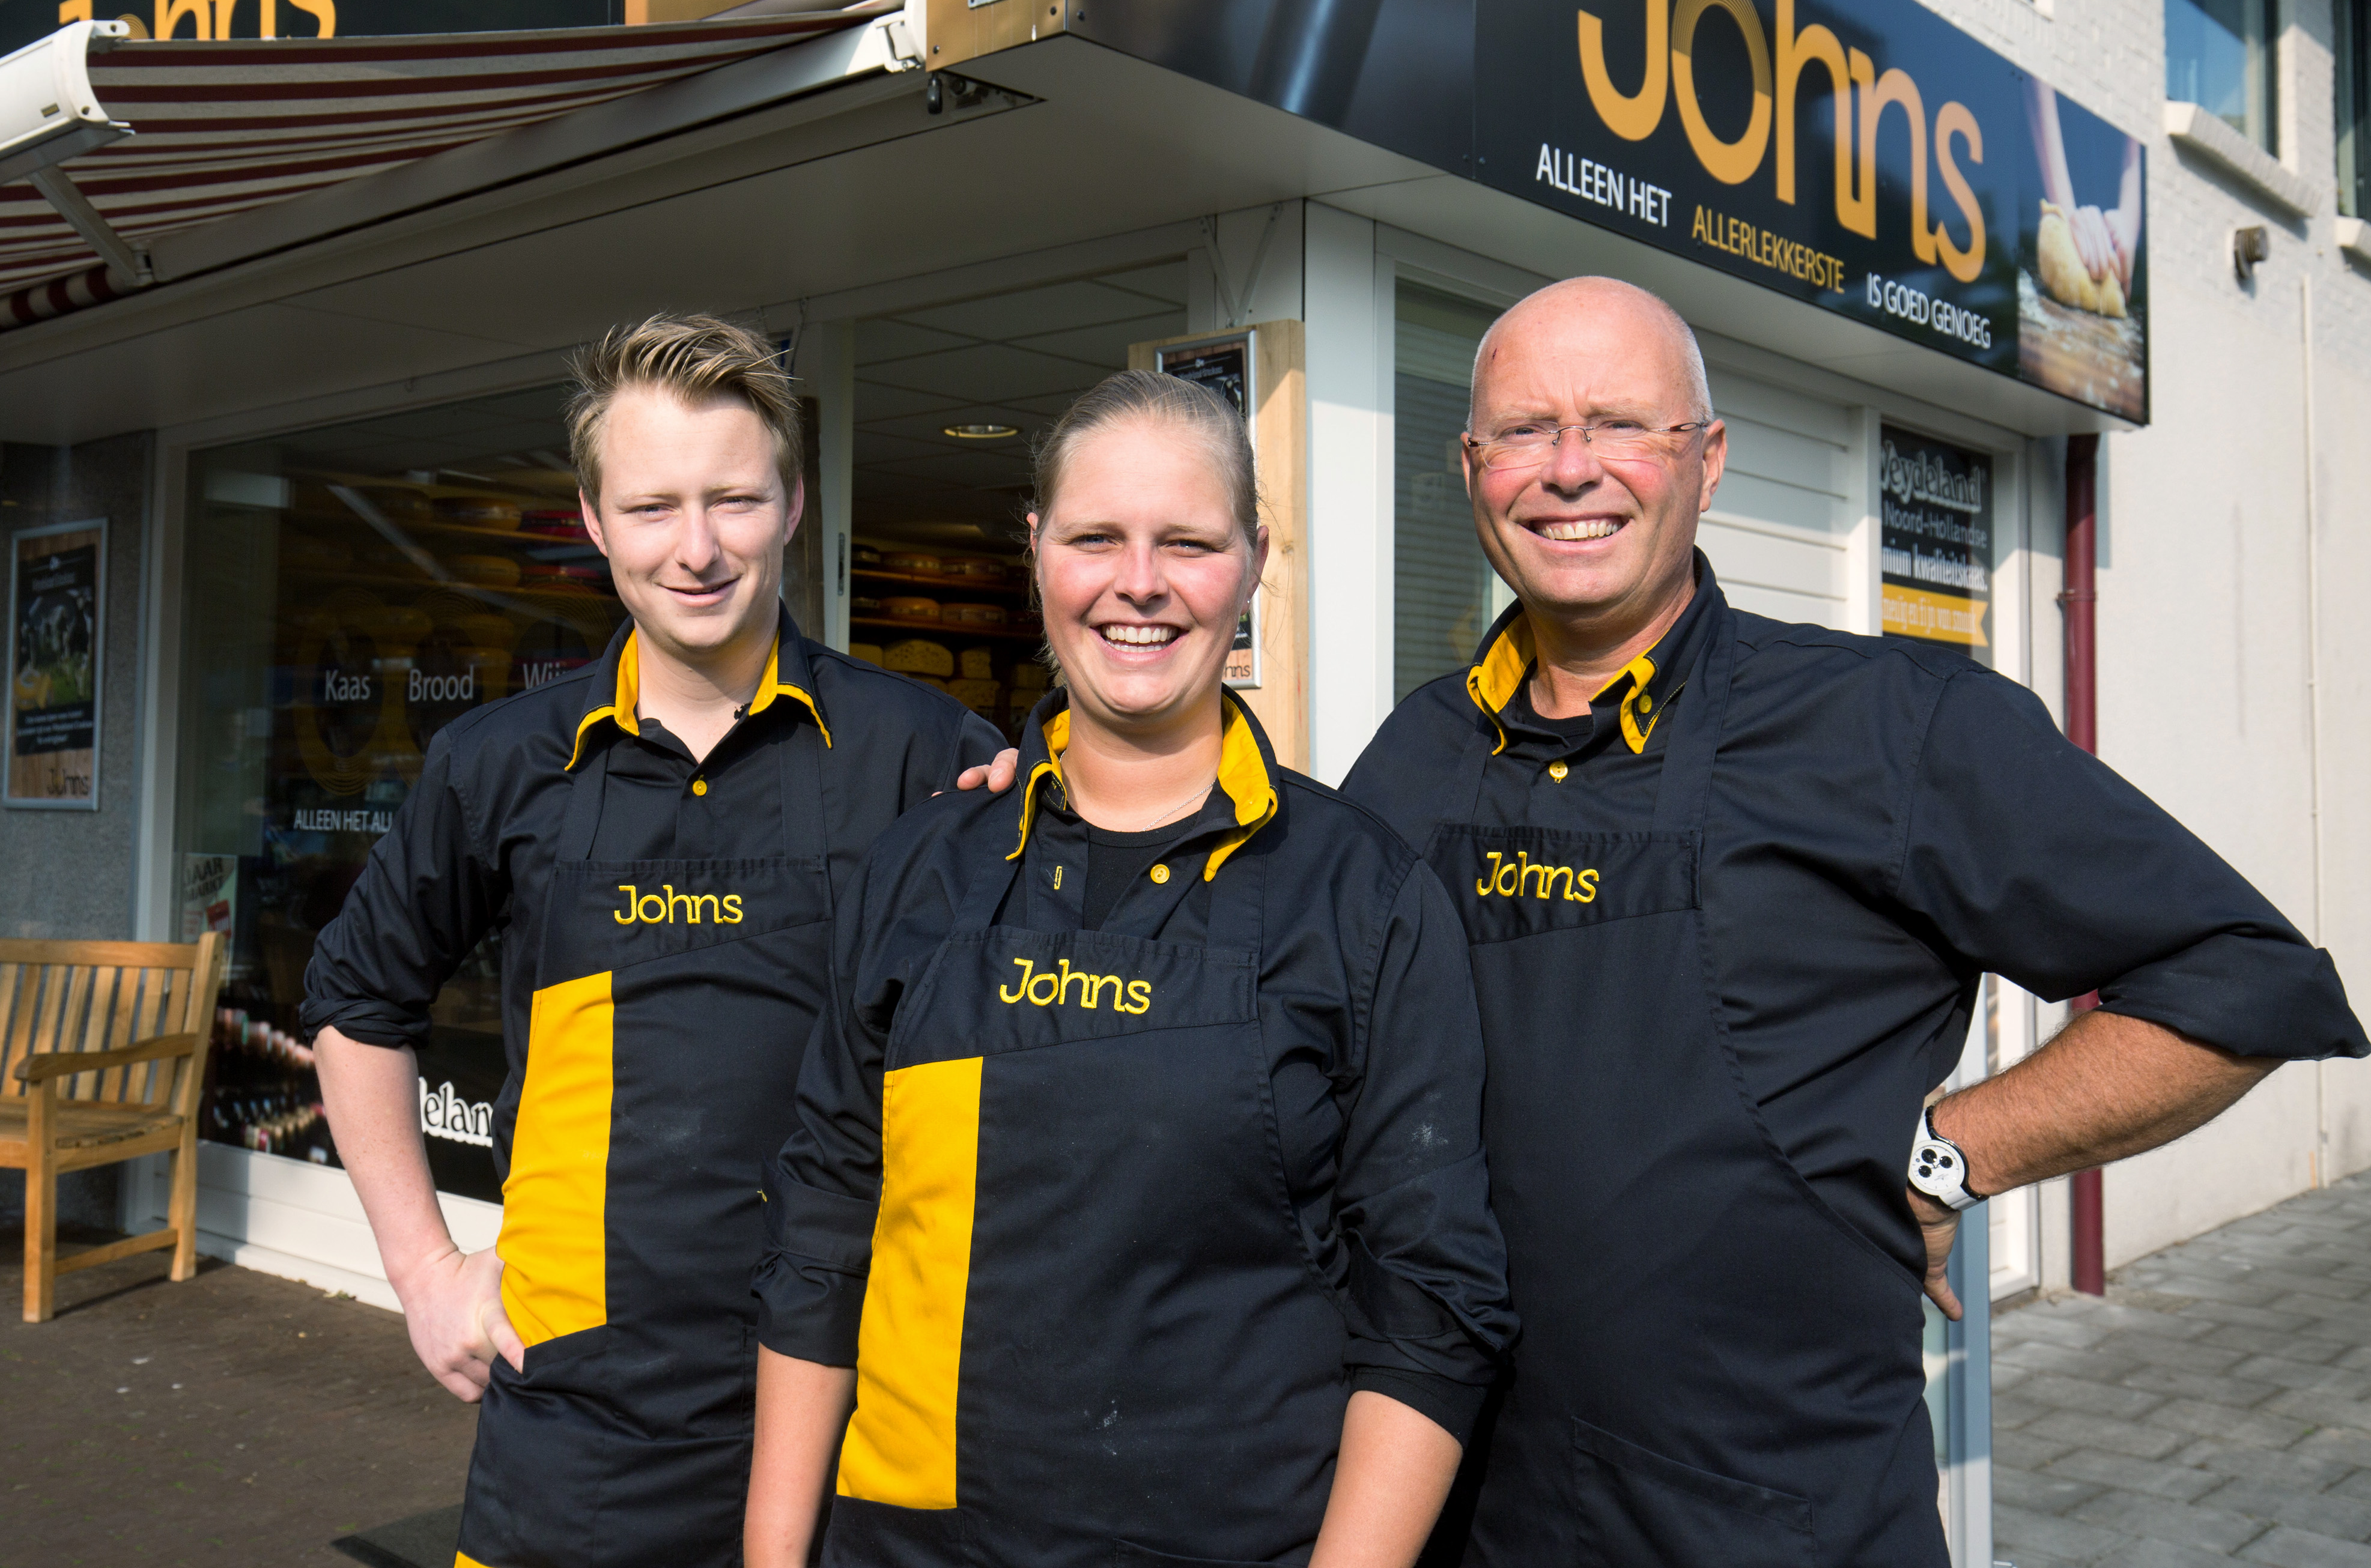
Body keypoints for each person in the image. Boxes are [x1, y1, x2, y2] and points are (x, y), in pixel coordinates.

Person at [1341, 277, 2370, 1567]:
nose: (1568, 469)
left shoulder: (1892, 724)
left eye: (1619, 423)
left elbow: (2240, 979)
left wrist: (1953, 1148)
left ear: (1705, 461)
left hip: (1768, 1510)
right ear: (1469, 466)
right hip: (1460, 1505)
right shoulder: (1411, 754)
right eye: (1523, 431)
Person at [745, 371, 1517, 1568]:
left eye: (1188, 541)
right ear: (1036, 548)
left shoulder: (1357, 895)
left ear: (1255, 560)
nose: (1138, 582)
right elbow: (824, 1232)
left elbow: (1433, 1301)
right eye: (1095, 536)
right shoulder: (919, 869)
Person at [302, 314, 1019, 1568]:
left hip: (862, 1409)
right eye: (653, 507)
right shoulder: (500, 763)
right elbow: (359, 1006)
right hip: (578, 1436)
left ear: (793, 505)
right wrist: (423, 1272)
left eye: (734, 499)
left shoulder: (925, 752)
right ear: (592, 520)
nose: (696, 549)